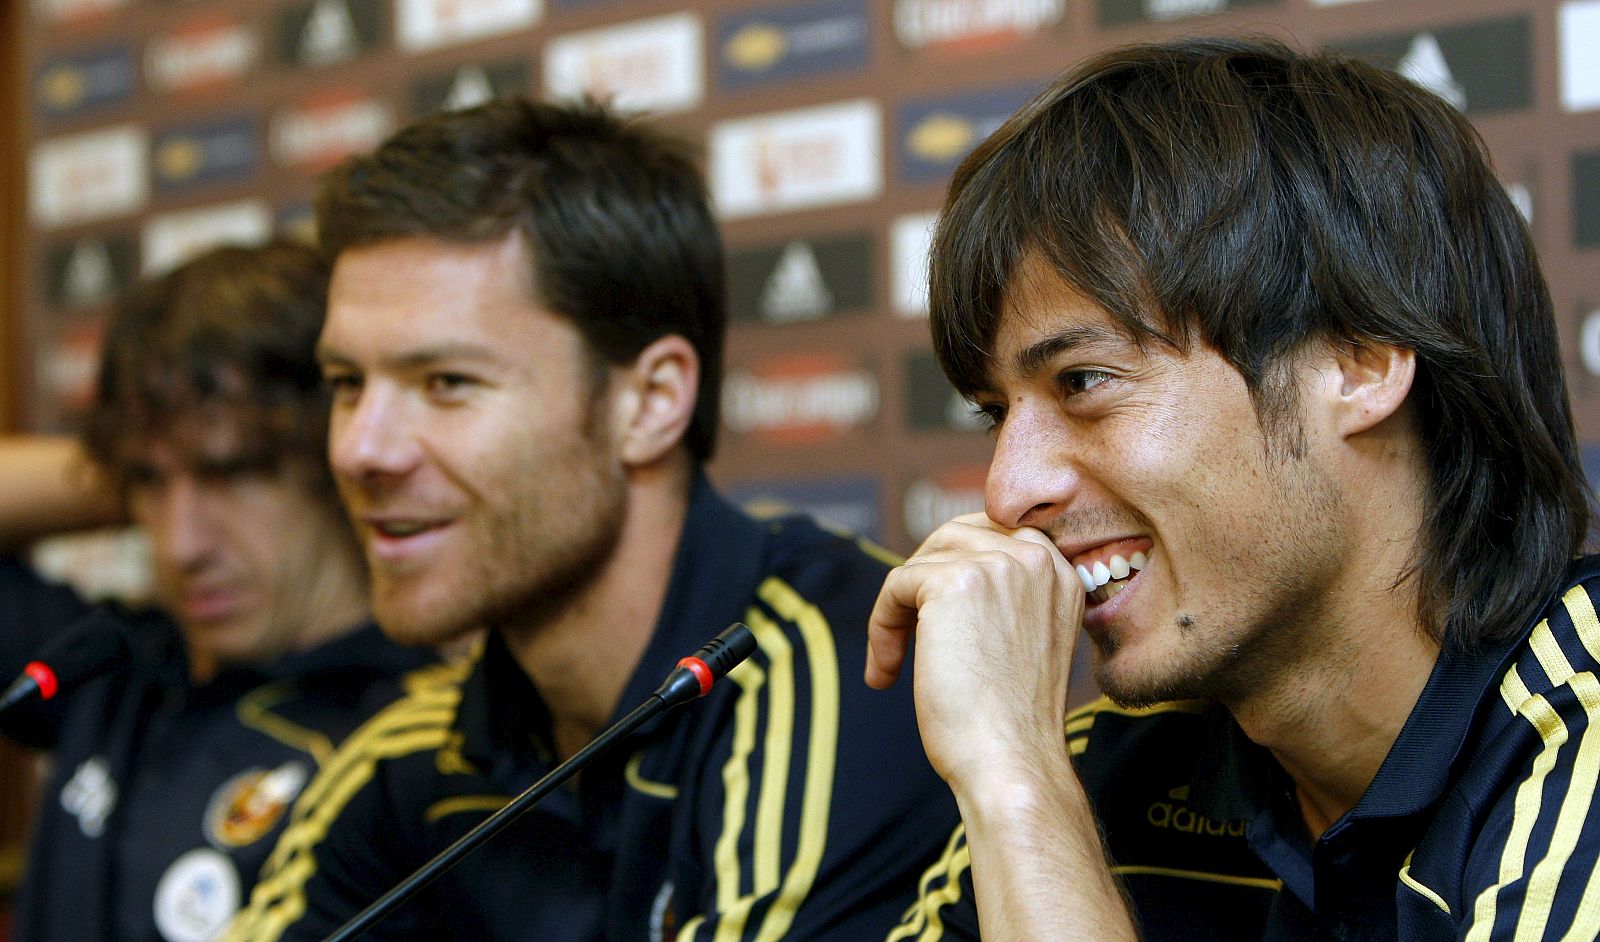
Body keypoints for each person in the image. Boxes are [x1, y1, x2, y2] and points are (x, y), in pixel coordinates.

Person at [870, 37, 1600, 941]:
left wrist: (1017, 787)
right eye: (995, 412)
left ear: (1360, 360)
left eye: (1086, 381)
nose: (1008, 489)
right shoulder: (1105, 773)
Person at [226, 98, 955, 942]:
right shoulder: (408, 753)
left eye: (446, 383)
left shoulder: (847, 677)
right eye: (347, 383)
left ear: (649, 402)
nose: (360, 449)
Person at [0, 241, 438, 942]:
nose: (181, 546)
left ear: (335, 459)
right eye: (148, 481)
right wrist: (123, 460)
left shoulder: (411, 742)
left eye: (231, 473)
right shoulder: (113, 666)